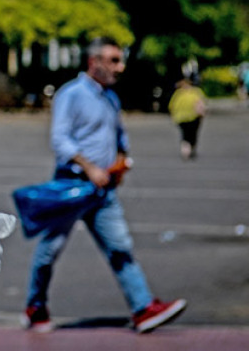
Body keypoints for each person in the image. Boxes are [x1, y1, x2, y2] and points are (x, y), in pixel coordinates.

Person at [24, 37, 186, 334]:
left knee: (120, 246)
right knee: (50, 249)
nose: (120, 67)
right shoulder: (70, 94)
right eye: (113, 60)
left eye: (120, 60)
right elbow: (60, 139)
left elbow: (118, 135)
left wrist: (121, 160)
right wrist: (89, 167)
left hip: (103, 190)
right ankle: (35, 305)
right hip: (71, 185)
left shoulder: (110, 97)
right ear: (93, 62)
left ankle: (143, 307)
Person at [167, 72, 206, 160]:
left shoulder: (178, 94)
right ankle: (191, 147)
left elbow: (171, 106)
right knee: (193, 134)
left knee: (185, 135)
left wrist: (173, 116)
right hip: (194, 117)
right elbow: (201, 104)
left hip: (181, 118)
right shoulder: (196, 92)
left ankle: (185, 149)